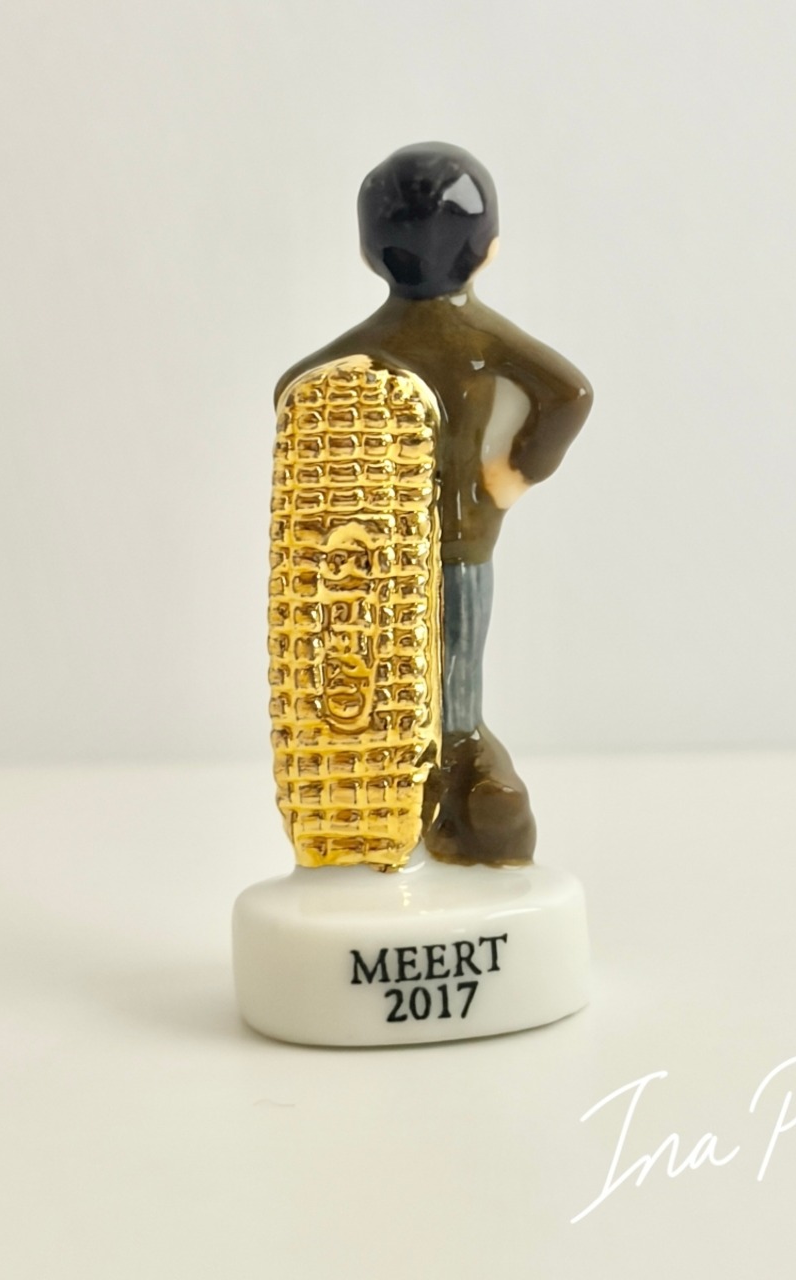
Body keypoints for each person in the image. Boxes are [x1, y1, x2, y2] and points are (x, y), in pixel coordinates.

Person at [275, 142, 592, 865]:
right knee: (454, 677)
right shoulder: (479, 337)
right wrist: (511, 475)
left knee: (381, 672)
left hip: (372, 552)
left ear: (370, 253)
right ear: (488, 249)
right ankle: (460, 775)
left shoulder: (369, 344)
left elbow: (293, 390)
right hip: (460, 540)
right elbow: (569, 393)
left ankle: (422, 792)